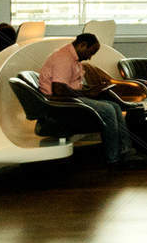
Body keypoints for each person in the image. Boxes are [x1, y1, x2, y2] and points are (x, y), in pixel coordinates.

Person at [38, 32, 134, 166]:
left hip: (70, 99)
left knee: (115, 107)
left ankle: (125, 151)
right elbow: (59, 90)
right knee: (108, 110)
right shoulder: (64, 58)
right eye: (91, 52)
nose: (90, 57)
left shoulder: (73, 58)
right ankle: (113, 158)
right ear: (82, 45)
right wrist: (87, 94)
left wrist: (91, 90)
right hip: (61, 104)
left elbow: (70, 87)